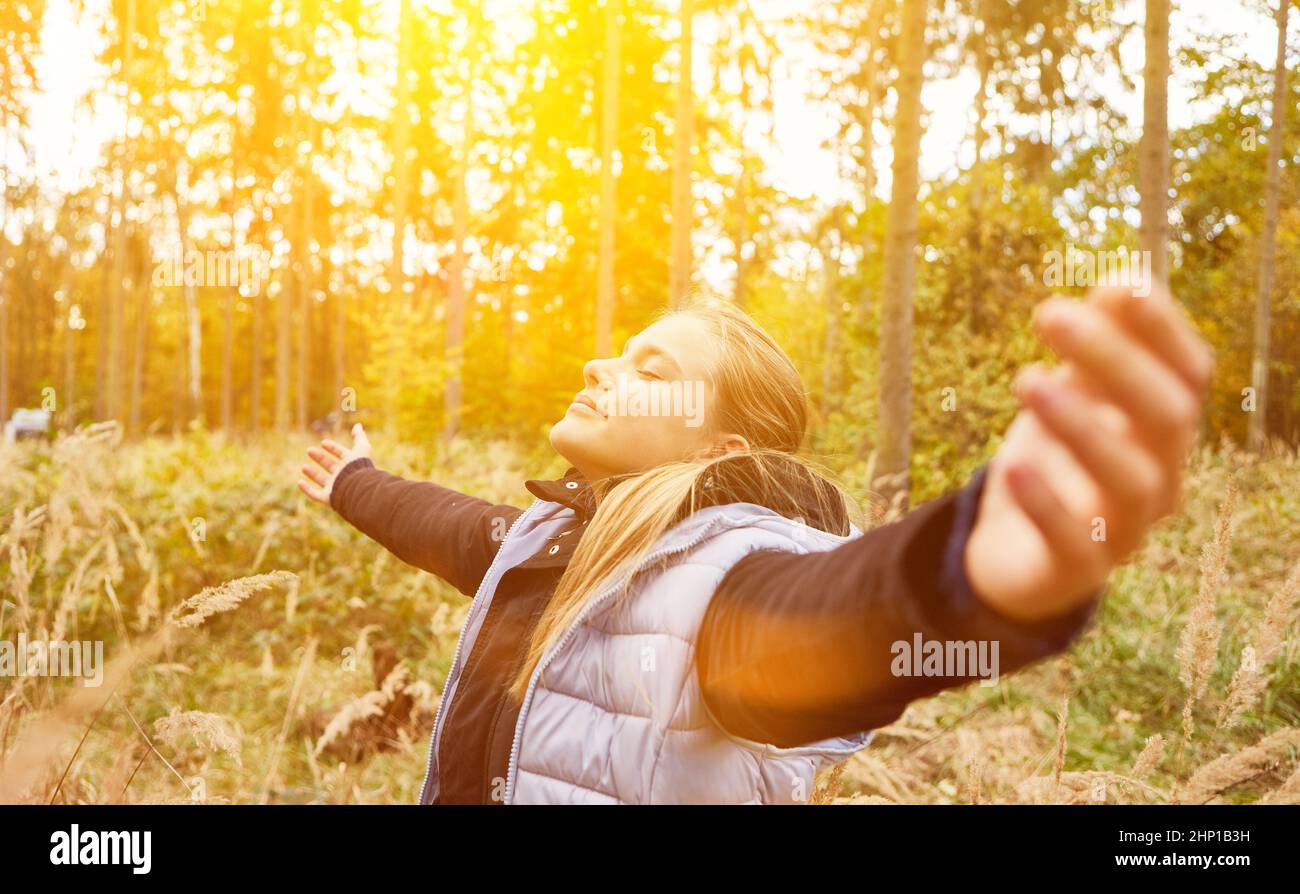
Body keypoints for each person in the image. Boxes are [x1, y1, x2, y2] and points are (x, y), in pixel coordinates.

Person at [298, 284, 1213, 804]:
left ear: (720, 449)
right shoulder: (552, 537)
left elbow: (838, 619)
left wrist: (966, 570)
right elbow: (447, 525)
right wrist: (355, 481)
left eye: (652, 371)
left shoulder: (730, 581)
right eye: (618, 353)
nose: (598, 369)